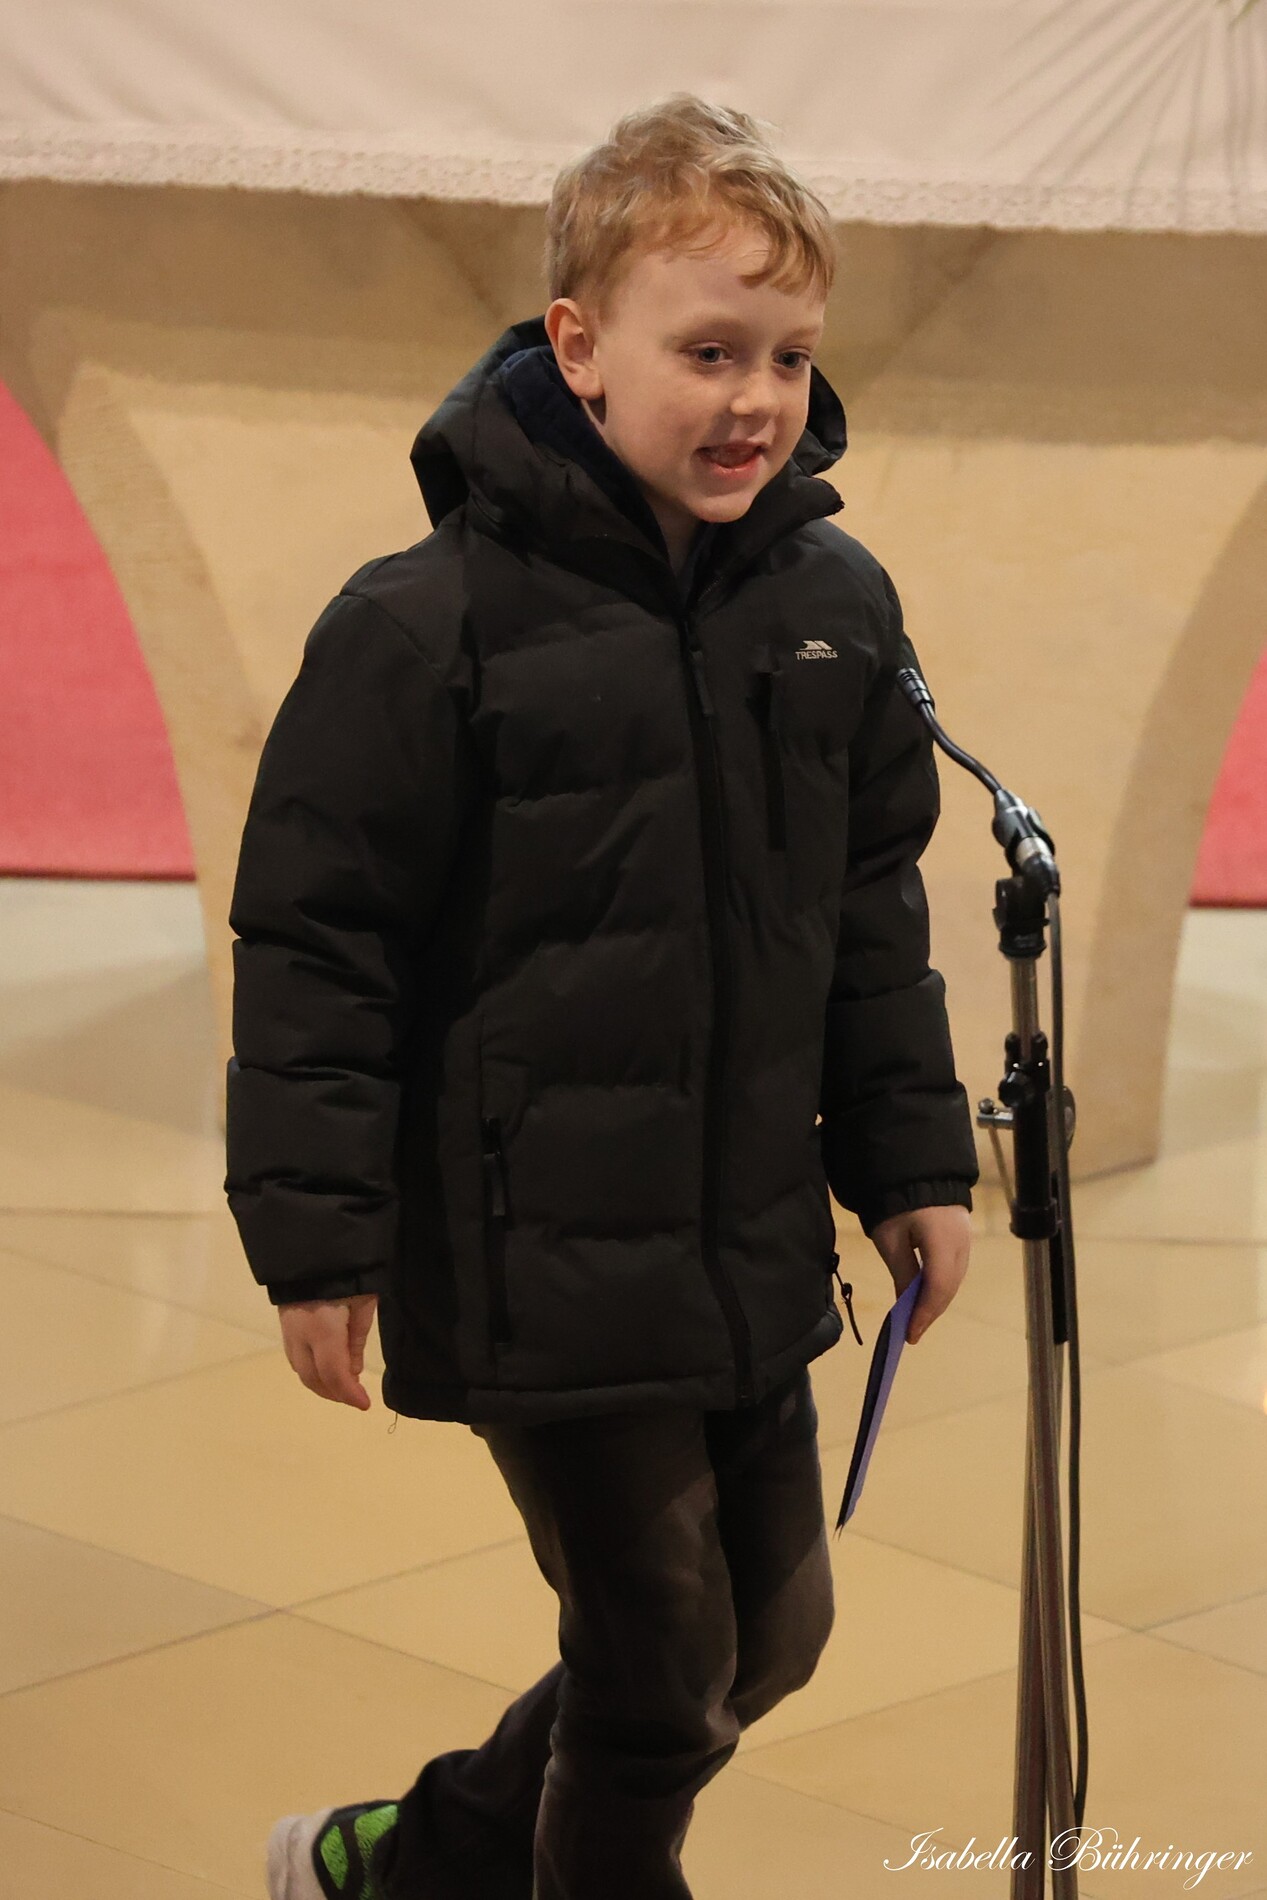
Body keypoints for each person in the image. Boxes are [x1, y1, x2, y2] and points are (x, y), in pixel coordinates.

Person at [226, 92, 979, 1900]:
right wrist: (316, 1237)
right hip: (530, 1245)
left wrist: (911, 1161)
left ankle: (408, 1861)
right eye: (708, 351)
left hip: (742, 1236)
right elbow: (321, 940)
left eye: (789, 356)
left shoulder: (832, 605)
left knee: (767, 1638)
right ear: (576, 346)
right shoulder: (426, 625)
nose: (757, 400)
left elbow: (868, 917)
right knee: (655, 1678)